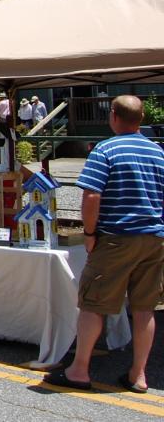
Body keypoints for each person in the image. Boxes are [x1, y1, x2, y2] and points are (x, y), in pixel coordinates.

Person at [49, 95, 164, 393]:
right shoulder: (158, 151)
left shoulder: (105, 149)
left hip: (115, 236)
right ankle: (138, 374)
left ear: (113, 115)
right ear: (141, 118)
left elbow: (91, 196)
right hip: (153, 237)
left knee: (94, 303)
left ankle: (79, 369)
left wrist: (89, 234)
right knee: (144, 307)